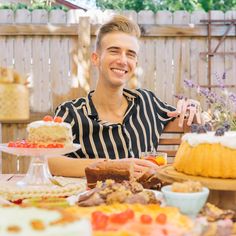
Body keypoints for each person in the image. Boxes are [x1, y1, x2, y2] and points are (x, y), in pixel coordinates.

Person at [48, 15, 201, 178]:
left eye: (130, 54)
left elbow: (190, 116)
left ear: (136, 63)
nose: (122, 60)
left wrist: (194, 106)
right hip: (94, 200)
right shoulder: (71, 112)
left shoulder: (147, 102)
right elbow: (49, 161)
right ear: (96, 58)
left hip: (147, 199)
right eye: (114, 51)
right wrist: (110, 167)